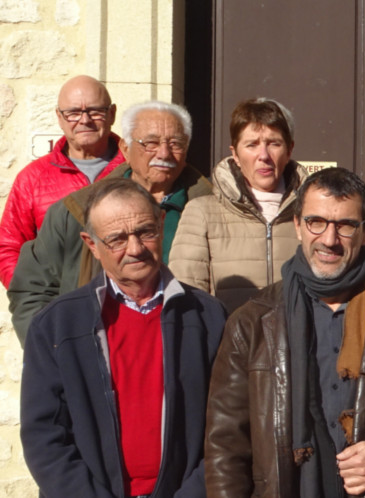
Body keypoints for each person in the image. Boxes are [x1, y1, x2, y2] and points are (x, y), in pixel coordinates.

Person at [204, 168, 365, 497]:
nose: (329, 240)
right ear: (297, 225)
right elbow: (225, 444)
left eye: (346, 226)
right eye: (316, 222)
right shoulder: (252, 321)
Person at [21, 178, 227, 497]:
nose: (135, 249)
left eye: (145, 231)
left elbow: (227, 431)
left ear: (161, 225)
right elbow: (45, 437)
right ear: (92, 244)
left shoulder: (208, 317)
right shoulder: (56, 326)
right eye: (117, 239)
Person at [8, 100, 212, 344]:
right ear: (125, 148)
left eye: (175, 143)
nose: (164, 153)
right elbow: (32, 291)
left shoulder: (214, 212)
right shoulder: (74, 213)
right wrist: (56, 351)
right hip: (95, 358)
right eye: (151, 142)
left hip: (185, 355)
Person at [170, 98, 308, 311]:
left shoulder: (313, 213)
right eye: (251, 144)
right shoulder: (202, 213)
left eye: (274, 143)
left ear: (289, 150)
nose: (264, 156)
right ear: (235, 153)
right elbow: (187, 299)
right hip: (229, 342)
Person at [0, 75, 126, 288]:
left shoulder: (135, 169)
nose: (84, 120)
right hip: (56, 310)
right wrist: (32, 304)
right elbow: (8, 248)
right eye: (73, 113)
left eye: (95, 111)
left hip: (128, 309)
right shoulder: (32, 178)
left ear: (111, 114)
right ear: (59, 117)